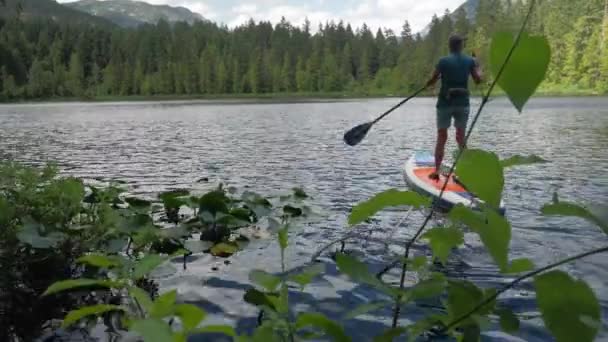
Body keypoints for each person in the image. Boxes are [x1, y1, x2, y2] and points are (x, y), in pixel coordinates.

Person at [425, 34, 482, 181]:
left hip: (445, 104)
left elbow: (432, 79)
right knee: (461, 137)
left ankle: (437, 171)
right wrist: (478, 65)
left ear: (449, 46)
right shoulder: (470, 61)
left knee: (442, 137)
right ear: (461, 46)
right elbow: (478, 81)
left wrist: (429, 83)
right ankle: (467, 171)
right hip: (463, 104)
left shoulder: (443, 61)